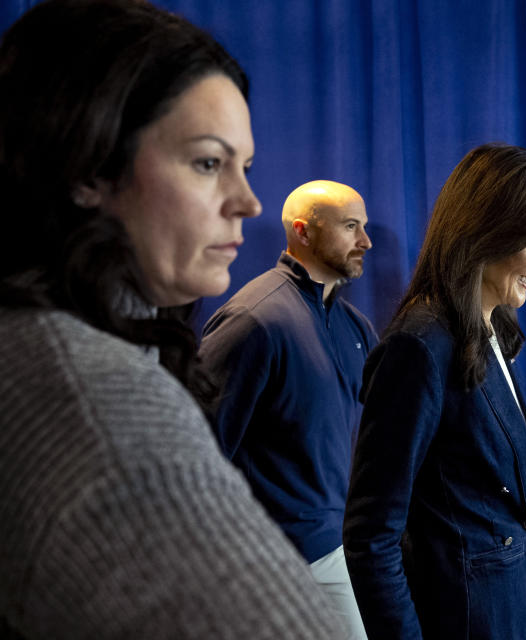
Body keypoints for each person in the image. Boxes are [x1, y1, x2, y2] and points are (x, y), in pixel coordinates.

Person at [0, 1, 341, 637]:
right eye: (208, 163)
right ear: (89, 169)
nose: (247, 201)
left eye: (245, 166)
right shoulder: (99, 403)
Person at [342, 143, 526, 640]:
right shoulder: (418, 348)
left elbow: (512, 470)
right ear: (487, 236)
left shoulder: (490, 329)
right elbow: (371, 536)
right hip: (465, 617)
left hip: (510, 605)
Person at [200, 180, 377, 639]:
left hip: (346, 546)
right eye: (351, 227)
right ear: (303, 232)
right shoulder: (253, 320)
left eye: (365, 227)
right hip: (280, 558)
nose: (366, 241)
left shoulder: (355, 326)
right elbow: (198, 453)